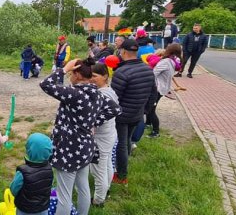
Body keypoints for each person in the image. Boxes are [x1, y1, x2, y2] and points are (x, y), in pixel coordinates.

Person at [40, 58, 121, 215]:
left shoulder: (75, 93)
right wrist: (90, 123)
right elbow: (115, 108)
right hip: (85, 146)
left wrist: (63, 70)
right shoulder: (96, 93)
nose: (69, 75)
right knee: (83, 187)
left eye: (71, 73)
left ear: (77, 74)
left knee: (64, 195)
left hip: (68, 149)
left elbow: (46, 85)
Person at [110, 39, 155, 185]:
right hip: (137, 113)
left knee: (121, 144)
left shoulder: (121, 72)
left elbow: (114, 98)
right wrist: (145, 110)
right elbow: (153, 93)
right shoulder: (148, 69)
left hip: (122, 115)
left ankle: (121, 175)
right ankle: (124, 163)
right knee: (127, 140)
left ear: (123, 52)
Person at [89, 63, 118, 206]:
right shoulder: (109, 90)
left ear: (105, 76)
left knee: (97, 170)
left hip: (101, 137)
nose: (91, 79)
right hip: (110, 133)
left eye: (94, 76)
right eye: (90, 76)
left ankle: (98, 200)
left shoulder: (102, 94)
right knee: (106, 165)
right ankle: (106, 189)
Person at [9, 133, 54, 215]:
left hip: (25, 210)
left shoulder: (22, 172)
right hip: (43, 209)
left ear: (29, 150)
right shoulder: (49, 169)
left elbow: (13, 190)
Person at [148, 43, 182, 138]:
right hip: (163, 88)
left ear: (169, 50)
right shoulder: (172, 61)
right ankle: (147, 123)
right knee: (151, 107)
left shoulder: (165, 62)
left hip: (157, 89)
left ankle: (156, 132)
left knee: (151, 110)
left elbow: (153, 73)